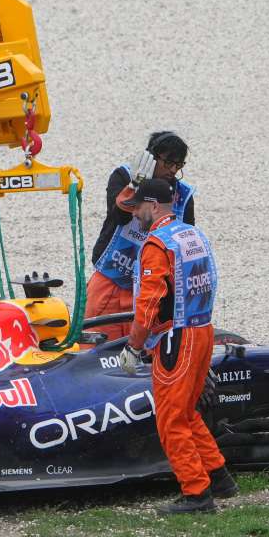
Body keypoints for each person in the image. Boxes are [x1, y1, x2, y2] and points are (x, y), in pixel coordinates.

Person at [116, 178, 237, 514]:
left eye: (138, 207)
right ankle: (219, 477)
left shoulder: (157, 244)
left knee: (171, 419)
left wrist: (134, 346)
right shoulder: (193, 235)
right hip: (203, 331)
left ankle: (196, 493)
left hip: (176, 339)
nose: (135, 214)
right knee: (187, 412)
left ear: (153, 206)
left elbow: (148, 303)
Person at [86, 131, 195, 339]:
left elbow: (185, 246)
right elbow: (119, 216)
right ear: (152, 157)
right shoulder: (123, 176)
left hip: (152, 288)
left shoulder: (184, 195)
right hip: (110, 279)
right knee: (92, 347)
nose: (173, 170)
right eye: (168, 163)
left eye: (179, 165)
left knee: (144, 357)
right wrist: (134, 186)